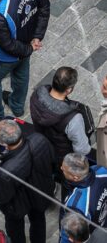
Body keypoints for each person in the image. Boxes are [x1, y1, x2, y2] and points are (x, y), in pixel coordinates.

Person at [0, 119, 56, 243]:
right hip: (40, 191)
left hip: (18, 205)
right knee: (38, 221)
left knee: (15, 229)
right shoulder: (39, 139)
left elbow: (3, 195)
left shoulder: (6, 170)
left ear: (3, 143)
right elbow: (52, 161)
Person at [30, 66, 91, 200]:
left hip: (42, 145)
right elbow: (82, 149)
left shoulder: (37, 94)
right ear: (69, 89)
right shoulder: (73, 118)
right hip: (62, 156)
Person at [59, 153, 107, 243]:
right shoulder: (101, 170)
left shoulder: (75, 205)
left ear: (75, 177)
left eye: (64, 170)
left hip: (91, 235)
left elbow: (69, 235)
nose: (61, 168)